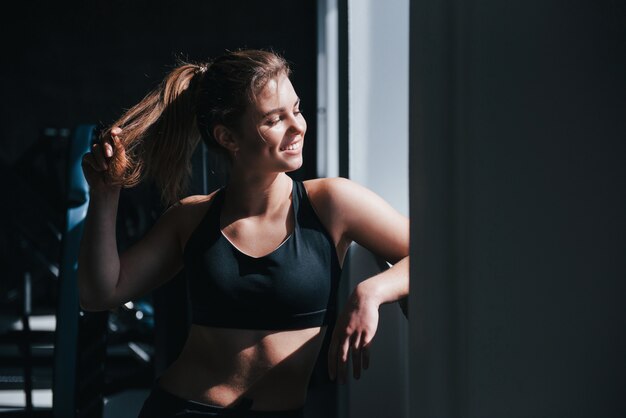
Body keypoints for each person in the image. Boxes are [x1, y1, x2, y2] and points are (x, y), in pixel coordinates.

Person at [78, 48, 409, 418]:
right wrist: (105, 195)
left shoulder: (332, 202)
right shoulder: (191, 219)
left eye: (296, 110)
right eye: (274, 119)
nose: (297, 126)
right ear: (228, 138)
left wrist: (372, 292)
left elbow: (429, 252)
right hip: (183, 409)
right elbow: (100, 293)